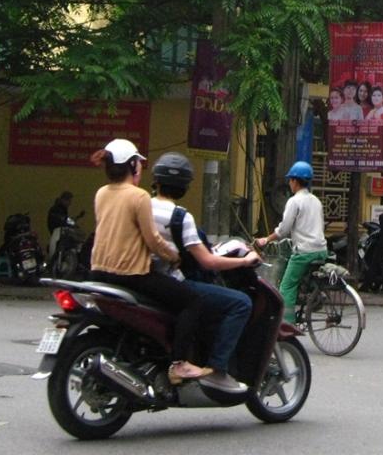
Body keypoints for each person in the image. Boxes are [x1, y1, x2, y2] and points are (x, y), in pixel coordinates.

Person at [88, 138, 207, 385]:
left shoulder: (101, 193)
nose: (140, 168)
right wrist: (173, 256)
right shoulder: (139, 196)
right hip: (131, 274)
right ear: (132, 166)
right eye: (138, 163)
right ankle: (179, 364)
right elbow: (152, 239)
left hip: (98, 271)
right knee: (192, 301)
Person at [151, 153, 260, 395]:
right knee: (241, 303)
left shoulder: (141, 206)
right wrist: (244, 261)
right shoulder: (180, 217)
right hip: (170, 282)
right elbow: (208, 261)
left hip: (144, 278)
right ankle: (217, 371)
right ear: (184, 186)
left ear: (155, 181)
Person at [255, 161, 328, 323]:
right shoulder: (316, 200)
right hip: (321, 250)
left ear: (295, 181)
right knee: (298, 277)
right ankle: (310, 294)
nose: (289, 183)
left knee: (287, 286)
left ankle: (286, 324)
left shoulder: (294, 201)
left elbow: (284, 230)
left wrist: (266, 239)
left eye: (290, 180)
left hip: (305, 252)